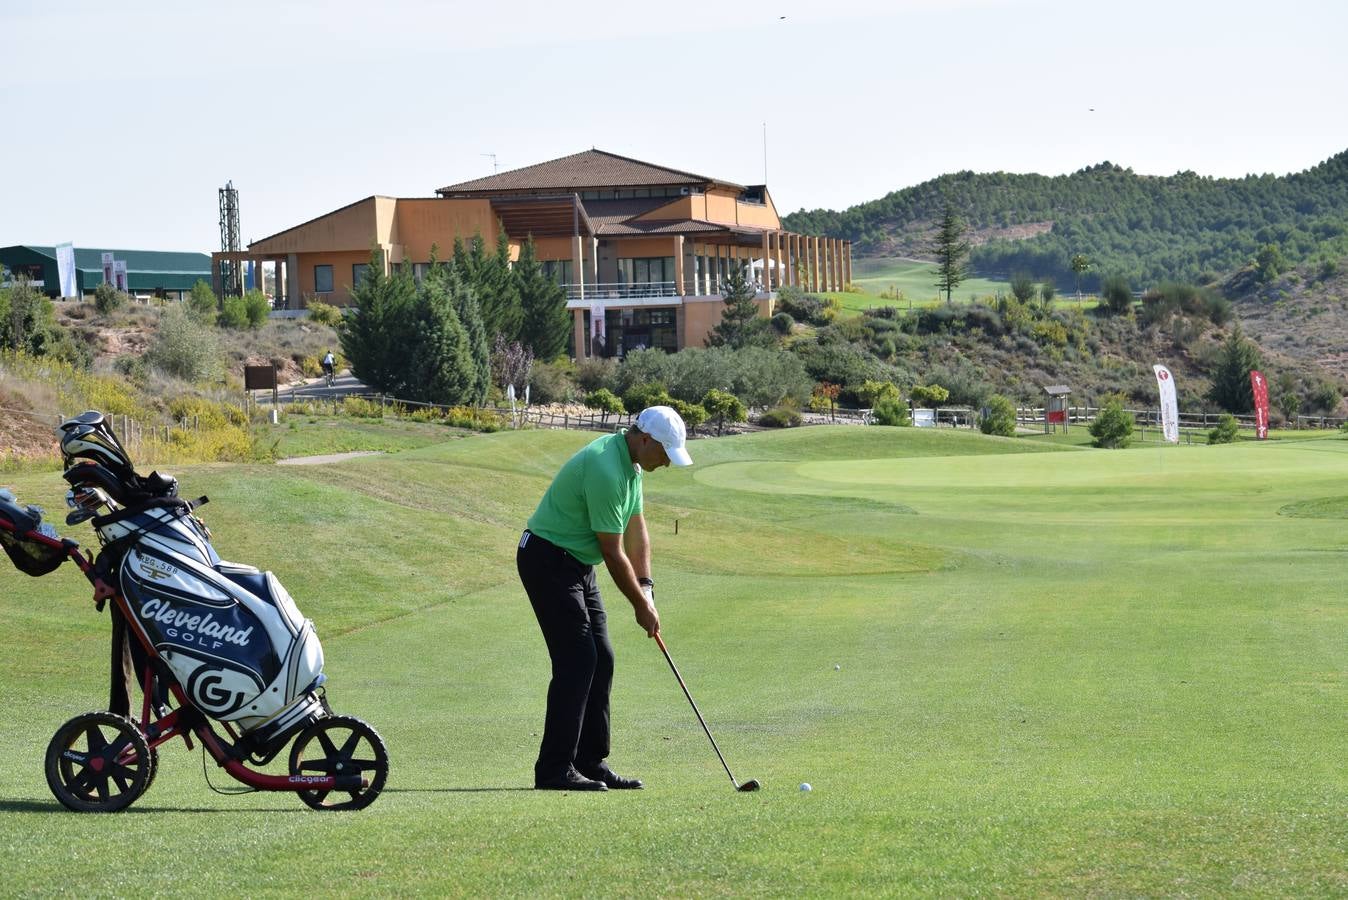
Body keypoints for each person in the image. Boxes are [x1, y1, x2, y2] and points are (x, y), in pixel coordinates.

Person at [517, 405, 693, 791]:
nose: (665, 463)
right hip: (547, 559)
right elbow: (613, 553)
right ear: (645, 439)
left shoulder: (631, 465)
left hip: (576, 564)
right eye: (664, 453)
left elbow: (637, 528)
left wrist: (647, 587)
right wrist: (639, 607)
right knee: (578, 660)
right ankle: (553, 770)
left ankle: (589, 761)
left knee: (603, 658)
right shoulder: (605, 467)